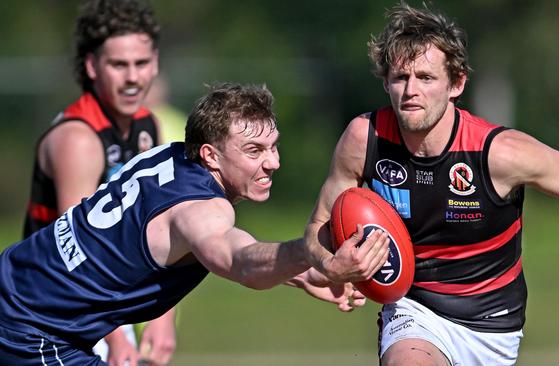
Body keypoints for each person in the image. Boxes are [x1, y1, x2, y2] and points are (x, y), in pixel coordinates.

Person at [304, 3, 559, 365]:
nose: (410, 91)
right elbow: (317, 228)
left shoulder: (497, 153)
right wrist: (332, 265)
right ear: (386, 82)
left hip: (494, 327)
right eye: (400, 78)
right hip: (414, 311)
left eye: (425, 78)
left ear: (456, 84)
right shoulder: (365, 139)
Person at [0, 82, 386, 365]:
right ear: (211, 155)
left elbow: (212, 245)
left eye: (273, 146)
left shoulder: (166, 157)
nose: (273, 162)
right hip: (33, 330)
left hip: (13, 283)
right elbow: (239, 260)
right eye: (254, 151)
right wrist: (311, 252)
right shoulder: (200, 209)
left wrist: (302, 274)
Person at [21, 0, 174, 364]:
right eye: (119, 65)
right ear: (92, 66)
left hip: (97, 312)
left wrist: (162, 316)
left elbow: (161, 222)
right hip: (43, 317)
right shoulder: (78, 140)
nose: (133, 77)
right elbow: (78, 256)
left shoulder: (147, 127)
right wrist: (116, 339)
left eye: (142, 63)